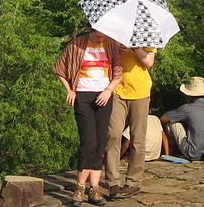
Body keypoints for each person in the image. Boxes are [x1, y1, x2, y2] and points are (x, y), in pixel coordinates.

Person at [54, 27, 123, 207]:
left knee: (100, 141)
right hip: (83, 95)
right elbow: (59, 68)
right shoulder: (77, 44)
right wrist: (70, 89)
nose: (101, 39)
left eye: (103, 36)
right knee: (88, 141)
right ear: (91, 31)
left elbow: (118, 73)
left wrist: (109, 90)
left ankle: (95, 188)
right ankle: (79, 187)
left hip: (104, 96)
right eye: (98, 35)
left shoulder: (110, 45)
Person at [104, 46, 157, 199]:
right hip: (116, 89)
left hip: (140, 91)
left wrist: (136, 48)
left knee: (137, 138)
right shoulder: (114, 34)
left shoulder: (146, 34)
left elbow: (148, 62)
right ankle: (113, 182)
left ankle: (133, 182)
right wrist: (116, 49)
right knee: (113, 134)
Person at [160, 76, 204, 161]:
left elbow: (164, 119)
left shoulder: (186, 109)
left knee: (173, 123)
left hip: (193, 153)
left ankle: (174, 150)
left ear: (190, 95)